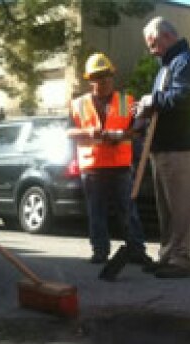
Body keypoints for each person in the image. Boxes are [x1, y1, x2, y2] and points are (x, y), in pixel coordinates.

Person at [134, 17, 190, 279]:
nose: (152, 50)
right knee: (166, 207)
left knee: (180, 206)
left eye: (153, 43)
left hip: (182, 145)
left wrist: (151, 100)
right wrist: (144, 111)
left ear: (168, 36)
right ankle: (168, 254)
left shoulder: (186, 61)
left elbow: (184, 96)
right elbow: (163, 102)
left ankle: (182, 258)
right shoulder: (167, 64)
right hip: (165, 145)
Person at [67, 53, 153, 266]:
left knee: (128, 211)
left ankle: (136, 250)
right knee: (97, 212)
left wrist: (120, 135)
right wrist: (90, 132)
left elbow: (137, 130)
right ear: (90, 80)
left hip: (120, 166)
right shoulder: (78, 104)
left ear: (112, 77)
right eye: (98, 76)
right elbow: (69, 132)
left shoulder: (125, 101)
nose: (103, 80)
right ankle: (100, 251)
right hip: (93, 167)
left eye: (106, 76)